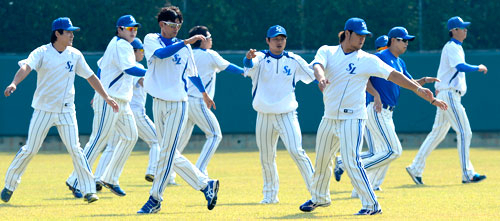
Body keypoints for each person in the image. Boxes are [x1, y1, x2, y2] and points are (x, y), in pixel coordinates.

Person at [298, 18, 445, 215]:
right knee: (322, 160)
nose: (362, 39)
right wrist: (321, 77)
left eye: (365, 36)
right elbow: (317, 65)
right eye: (359, 35)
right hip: (329, 117)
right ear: (347, 33)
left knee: (352, 161)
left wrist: (418, 89)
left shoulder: (367, 59)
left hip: (354, 118)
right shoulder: (328, 51)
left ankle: (371, 205)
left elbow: (394, 75)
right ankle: (319, 198)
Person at [0, 17, 119, 204]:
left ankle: (88, 190)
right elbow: (26, 67)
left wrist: (107, 97)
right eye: (68, 31)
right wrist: (14, 83)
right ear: (57, 33)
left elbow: (91, 76)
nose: (72, 35)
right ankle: (9, 185)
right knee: (31, 149)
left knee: (76, 149)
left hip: (66, 111)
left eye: (72, 31)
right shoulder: (42, 52)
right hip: (43, 110)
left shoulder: (75, 54)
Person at [333, 27, 446, 196]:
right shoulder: (379, 57)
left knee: (382, 154)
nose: (407, 43)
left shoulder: (400, 62)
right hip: (377, 109)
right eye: (404, 40)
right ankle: (348, 166)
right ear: (393, 40)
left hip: (388, 112)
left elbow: (409, 83)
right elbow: (363, 79)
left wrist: (430, 94)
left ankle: (358, 190)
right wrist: (375, 94)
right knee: (393, 151)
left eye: (408, 41)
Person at [137, 6, 219, 214]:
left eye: (179, 26)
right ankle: (205, 184)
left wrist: (204, 93)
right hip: (158, 102)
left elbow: (193, 74)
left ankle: (155, 199)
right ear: (162, 24)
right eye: (172, 25)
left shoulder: (185, 48)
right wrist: (185, 42)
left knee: (166, 152)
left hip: (178, 104)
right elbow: (162, 55)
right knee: (169, 152)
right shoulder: (151, 39)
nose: (176, 29)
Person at [65, 15, 146, 198]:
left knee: (130, 137)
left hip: (121, 101)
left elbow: (101, 66)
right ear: (120, 29)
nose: (133, 31)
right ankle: (75, 180)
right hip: (111, 100)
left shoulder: (119, 44)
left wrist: (99, 90)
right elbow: (129, 69)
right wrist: (153, 72)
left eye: (135, 29)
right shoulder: (121, 45)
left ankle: (110, 177)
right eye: (129, 28)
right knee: (98, 140)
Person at [406, 16, 488, 185]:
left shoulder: (455, 47)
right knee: (465, 132)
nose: (465, 30)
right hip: (450, 95)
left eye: (465, 27)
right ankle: (468, 174)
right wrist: (478, 67)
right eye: (462, 27)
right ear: (453, 31)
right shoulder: (452, 47)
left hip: (447, 93)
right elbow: (460, 67)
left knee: (437, 133)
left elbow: (446, 71)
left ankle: (415, 168)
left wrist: (441, 86)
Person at [242, 25, 318, 204]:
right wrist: (247, 59)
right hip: (264, 115)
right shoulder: (259, 57)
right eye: (275, 38)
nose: (279, 41)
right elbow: (248, 66)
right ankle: (270, 196)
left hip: (287, 114)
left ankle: (317, 192)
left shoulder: (294, 59)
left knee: (296, 151)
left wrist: (323, 73)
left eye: (282, 38)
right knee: (267, 157)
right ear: (267, 41)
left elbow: (312, 76)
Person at [167, 25, 244, 185]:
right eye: (208, 37)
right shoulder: (209, 55)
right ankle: (200, 170)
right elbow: (228, 66)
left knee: (179, 141)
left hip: (185, 101)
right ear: (201, 40)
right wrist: (246, 71)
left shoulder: (186, 53)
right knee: (215, 135)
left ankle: (168, 174)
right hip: (197, 101)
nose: (211, 40)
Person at [93, 38, 160, 191]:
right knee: (157, 140)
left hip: (118, 109)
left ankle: (97, 178)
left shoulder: (116, 57)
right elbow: (144, 82)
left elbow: (101, 68)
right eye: (140, 50)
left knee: (111, 146)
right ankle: (152, 171)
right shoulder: (134, 64)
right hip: (132, 111)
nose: (142, 53)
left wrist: (98, 92)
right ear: (133, 51)